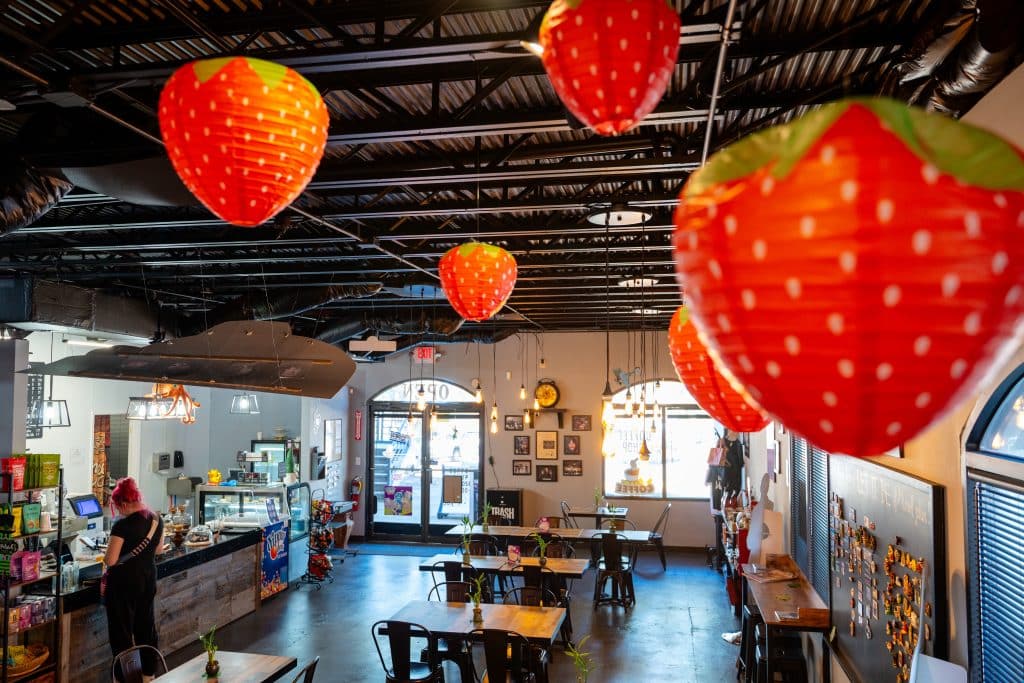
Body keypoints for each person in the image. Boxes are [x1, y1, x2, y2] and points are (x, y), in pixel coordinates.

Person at [103, 477, 166, 682]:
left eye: (116, 507)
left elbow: (111, 560)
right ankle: (148, 674)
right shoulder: (157, 519)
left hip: (123, 584)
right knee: (146, 627)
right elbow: (157, 550)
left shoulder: (122, 526)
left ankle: (127, 678)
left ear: (122, 503)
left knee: (122, 633)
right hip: (147, 580)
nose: (118, 511)